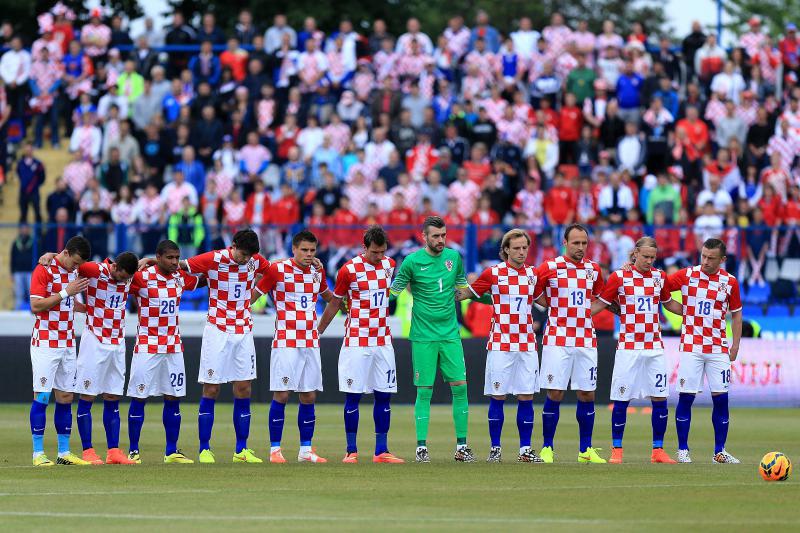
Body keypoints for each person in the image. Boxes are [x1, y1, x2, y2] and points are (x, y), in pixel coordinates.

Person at [37, 250, 140, 465]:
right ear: (114, 267)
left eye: (127, 279)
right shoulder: (94, 270)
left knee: (113, 397)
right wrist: (50, 254)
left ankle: (113, 451)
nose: (124, 281)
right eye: (121, 276)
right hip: (94, 341)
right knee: (87, 396)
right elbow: (69, 261)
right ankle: (88, 451)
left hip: (117, 343)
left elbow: (147, 266)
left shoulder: (129, 276)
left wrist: (146, 261)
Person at [590, 237, 683, 464]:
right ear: (635, 254)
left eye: (653, 257)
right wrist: (580, 313)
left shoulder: (659, 277)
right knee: (621, 399)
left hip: (654, 348)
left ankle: (658, 451)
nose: (649, 261)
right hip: (628, 347)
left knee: (660, 398)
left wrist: (695, 313)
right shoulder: (619, 277)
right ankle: (617, 450)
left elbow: (668, 302)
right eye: (645, 257)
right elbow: (603, 301)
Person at [389, 216, 474, 463]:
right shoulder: (412, 262)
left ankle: (462, 446)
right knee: (424, 391)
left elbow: (462, 288)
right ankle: (421, 448)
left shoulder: (454, 258)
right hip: (423, 336)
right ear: (423, 237)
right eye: (435, 236)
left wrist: (488, 293)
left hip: (450, 334)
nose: (440, 240)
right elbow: (392, 293)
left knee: (460, 387)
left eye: (443, 235)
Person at [317, 226, 404, 464]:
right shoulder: (349, 270)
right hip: (357, 340)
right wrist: (319, 331)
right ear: (364, 248)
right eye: (375, 252)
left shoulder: (390, 264)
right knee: (353, 396)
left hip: (383, 341)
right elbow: (335, 303)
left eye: (383, 251)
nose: (379, 256)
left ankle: (381, 451)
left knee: (384, 395)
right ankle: (351, 450)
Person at [458, 229, 545, 463]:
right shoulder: (494, 273)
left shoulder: (533, 274)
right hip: (501, 343)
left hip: (527, 344)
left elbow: (543, 300)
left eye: (525, 248)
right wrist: (445, 291)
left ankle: (525, 450)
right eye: (516, 248)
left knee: (526, 396)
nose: (521, 252)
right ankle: (495, 449)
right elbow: (469, 292)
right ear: (506, 249)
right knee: (498, 396)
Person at [184, 229, 270, 463]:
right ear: (233, 246)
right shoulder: (214, 259)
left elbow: (272, 271)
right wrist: (152, 262)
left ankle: (241, 450)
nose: (245, 259)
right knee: (211, 388)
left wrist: (257, 293)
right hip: (217, 330)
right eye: (242, 254)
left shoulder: (255, 261)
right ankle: (204, 448)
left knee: (244, 388)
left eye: (249, 256)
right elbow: (182, 266)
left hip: (243, 331)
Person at [252, 230, 334, 463]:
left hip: (310, 340)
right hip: (286, 340)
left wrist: (347, 301)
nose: (309, 254)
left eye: (312, 250)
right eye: (304, 250)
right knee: (282, 393)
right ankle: (274, 450)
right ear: (294, 250)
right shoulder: (277, 270)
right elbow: (254, 295)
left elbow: (327, 295)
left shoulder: (317, 270)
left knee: (308, 395)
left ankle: (305, 450)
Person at [126, 240, 203, 464]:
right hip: (147, 346)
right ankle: (133, 450)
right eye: (170, 258)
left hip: (173, 347)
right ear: (158, 257)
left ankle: (171, 451)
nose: (175, 262)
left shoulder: (180, 276)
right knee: (139, 396)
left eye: (177, 258)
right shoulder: (141, 278)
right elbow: (117, 280)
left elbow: (203, 278)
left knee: (173, 398)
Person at [534, 224, 606, 464]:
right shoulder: (551, 267)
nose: (581, 247)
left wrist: (586, 312)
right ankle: (547, 447)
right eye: (576, 243)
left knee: (587, 393)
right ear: (564, 242)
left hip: (586, 339)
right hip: (557, 338)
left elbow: (600, 297)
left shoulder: (594, 270)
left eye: (584, 243)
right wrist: (552, 305)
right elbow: (534, 292)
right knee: (556, 391)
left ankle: (586, 449)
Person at [670, 239, 742, 464]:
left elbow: (737, 314)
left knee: (721, 399)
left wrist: (735, 345)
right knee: (686, 397)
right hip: (691, 347)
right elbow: (661, 290)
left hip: (719, 348)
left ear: (723, 260)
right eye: (703, 256)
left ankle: (719, 451)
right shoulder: (687, 275)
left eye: (711, 258)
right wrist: (685, 311)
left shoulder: (729, 282)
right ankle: (683, 450)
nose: (706, 262)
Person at [28, 236, 92, 466]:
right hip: (45, 342)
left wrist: (84, 307)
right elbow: (36, 306)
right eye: (74, 262)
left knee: (65, 396)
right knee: (43, 396)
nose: (76, 267)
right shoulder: (43, 269)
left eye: (79, 264)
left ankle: (63, 452)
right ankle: (38, 453)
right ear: (64, 253)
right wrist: (66, 292)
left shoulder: (73, 272)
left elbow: (68, 303)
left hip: (67, 342)